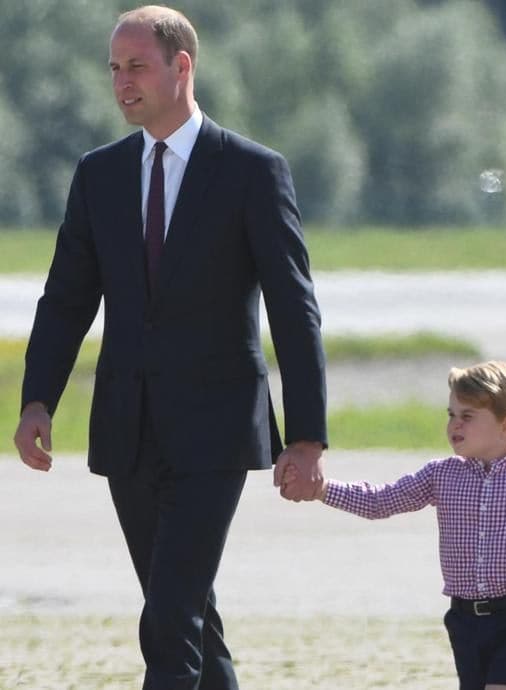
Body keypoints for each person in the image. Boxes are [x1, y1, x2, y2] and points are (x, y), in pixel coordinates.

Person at [12, 6, 327, 689]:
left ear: (182, 67)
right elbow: (67, 298)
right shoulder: (99, 174)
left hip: (217, 430)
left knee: (169, 615)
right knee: (185, 614)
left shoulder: (251, 171)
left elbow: (294, 306)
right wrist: (37, 398)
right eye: (115, 69)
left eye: (137, 67)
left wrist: (307, 437)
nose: (122, 83)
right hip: (128, 429)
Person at [284, 361, 506, 690]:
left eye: (467, 417)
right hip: (464, 619)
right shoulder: (441, 474)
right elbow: (380, 501)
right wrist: (322, 489)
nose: (454, 426)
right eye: (451, 415)